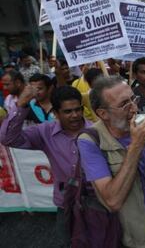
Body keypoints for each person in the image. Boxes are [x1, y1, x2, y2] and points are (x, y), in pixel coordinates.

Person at [78, 75, 145, 247]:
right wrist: (136, 145)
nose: (134, 108)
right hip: (126, 233)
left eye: (133, 99)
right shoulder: (89, 141)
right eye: (124, 104)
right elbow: (112, 201)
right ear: (102, 113)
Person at [0, 86, 89, 247]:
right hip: (66, 205)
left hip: (97, 203)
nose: (75, 115)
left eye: (78, 110)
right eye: (68, 111)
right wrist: (21, 105)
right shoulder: (45, 132)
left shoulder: (97, 131)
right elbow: (8, 139)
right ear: (55, 113)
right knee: (66, 243)